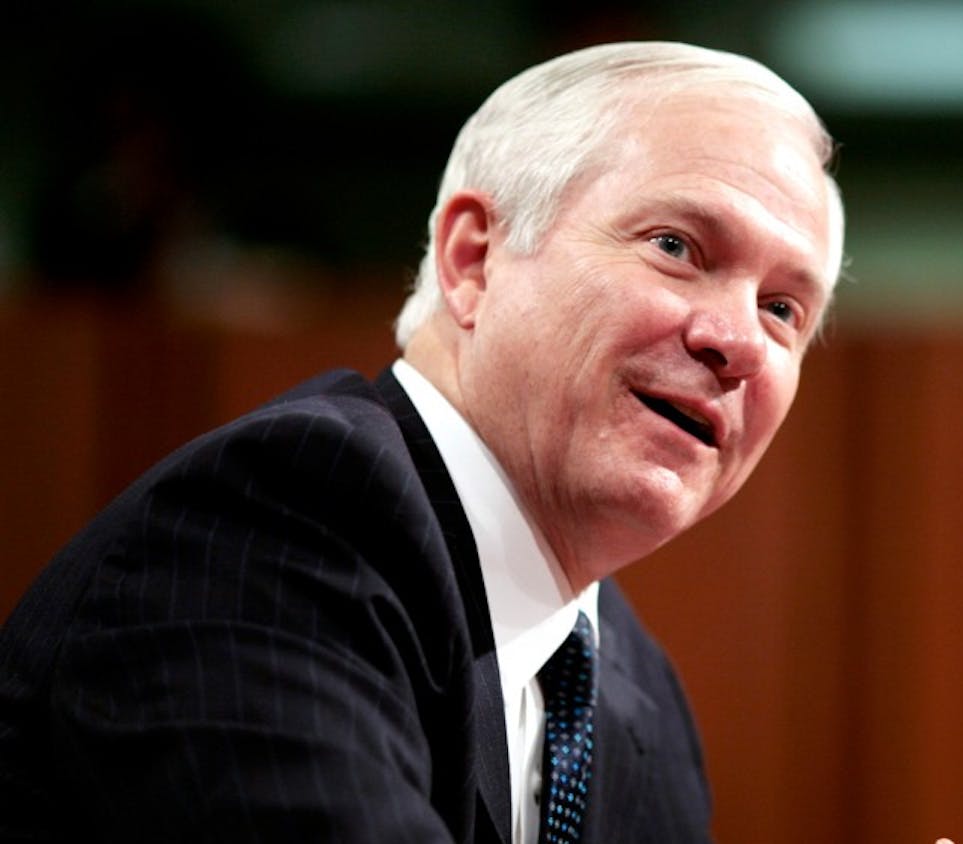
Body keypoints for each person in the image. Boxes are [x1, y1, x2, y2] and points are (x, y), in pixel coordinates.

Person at [0, 41, 843, 843]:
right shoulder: (278, 523)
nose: (738, 342)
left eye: (782, 310)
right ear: (473, 259)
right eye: (676, 247)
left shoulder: (638, 696)